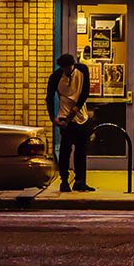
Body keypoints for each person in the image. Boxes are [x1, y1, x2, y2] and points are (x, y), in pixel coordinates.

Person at [45, 53, 94, 192]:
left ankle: (80, 181)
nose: (66, 70)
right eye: (63, 68)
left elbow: (85, 92)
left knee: (81, 151)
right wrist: (52, 118)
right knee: (65, 151)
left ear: (73, 64)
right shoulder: (55, 77)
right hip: (64, 117)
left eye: (68, 67)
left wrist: (76, 108)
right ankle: (64, 180)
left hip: (81, 116)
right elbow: (49, 97)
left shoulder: (82, 70)